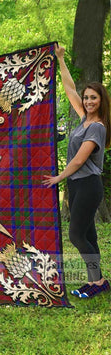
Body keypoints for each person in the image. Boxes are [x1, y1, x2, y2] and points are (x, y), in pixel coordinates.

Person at [43, 44, 111, 298]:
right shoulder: (85, 119)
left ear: (102, 100)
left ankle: (98, 281)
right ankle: (97, 282)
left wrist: (59, 177)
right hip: (77, 184)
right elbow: (70, 89)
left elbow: (80, 159)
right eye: (87, 98)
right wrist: (60, 59)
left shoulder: (98, 127)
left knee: (76, 235)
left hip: (88, 184)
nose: (88, 101)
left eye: (94, 98)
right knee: (89, 236)